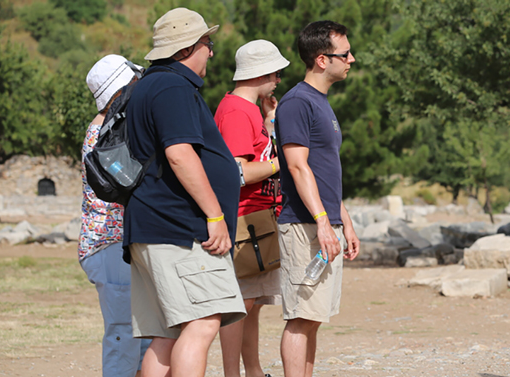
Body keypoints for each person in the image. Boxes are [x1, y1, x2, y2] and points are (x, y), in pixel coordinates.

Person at [123, 7, 246, 377]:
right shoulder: (173, 86)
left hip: (152, 225)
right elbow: (179, 154)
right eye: (207, 43)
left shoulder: (147, 84)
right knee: (204, 321)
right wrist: (214, 215)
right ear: (185, 49)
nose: (211, 51)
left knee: (167, 336)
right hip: (179, 229)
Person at [275, 20, 360, 377]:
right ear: (322, 60)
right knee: (301, 316)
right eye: (345, 54)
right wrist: (323, 223)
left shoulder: (320, 103)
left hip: (325, 224)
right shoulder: (297, 103)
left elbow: (325, 170)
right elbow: (297, 167)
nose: (352, 60)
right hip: (304, 225)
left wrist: (345, 222)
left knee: (314, 317)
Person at [214, 39, 290, 377]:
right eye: (275, 72)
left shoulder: (252, 109)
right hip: (246, 218)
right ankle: (234, 373)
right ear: (262, 72)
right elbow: (238, 171)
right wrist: (280, 164)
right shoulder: (236, 111)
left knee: (253, 304)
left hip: (258, 218)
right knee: (239, 305)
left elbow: (255, 154)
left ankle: (254, 371)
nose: (277, 79)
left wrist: (271, 120)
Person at [80, 54, 152, 377]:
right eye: (134, 82)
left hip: (115, 246)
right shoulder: (103, 135)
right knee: (124, 339)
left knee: (141, 339)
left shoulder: (108, 129)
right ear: (119, 91)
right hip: (110, 246)